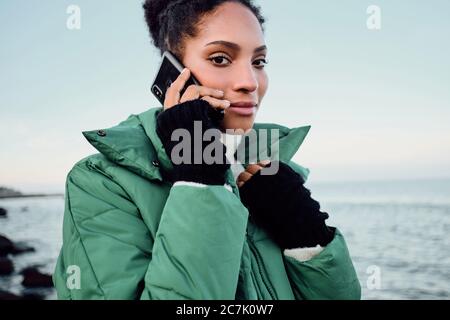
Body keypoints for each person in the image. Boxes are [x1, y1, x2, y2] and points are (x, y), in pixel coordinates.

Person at [52, 0, 361, 300]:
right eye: (220, 58)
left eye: (259, 62)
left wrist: (307, 238)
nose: (250, 82)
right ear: (173, 71)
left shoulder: (272, 173)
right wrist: (199, 175)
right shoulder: (100, 183)